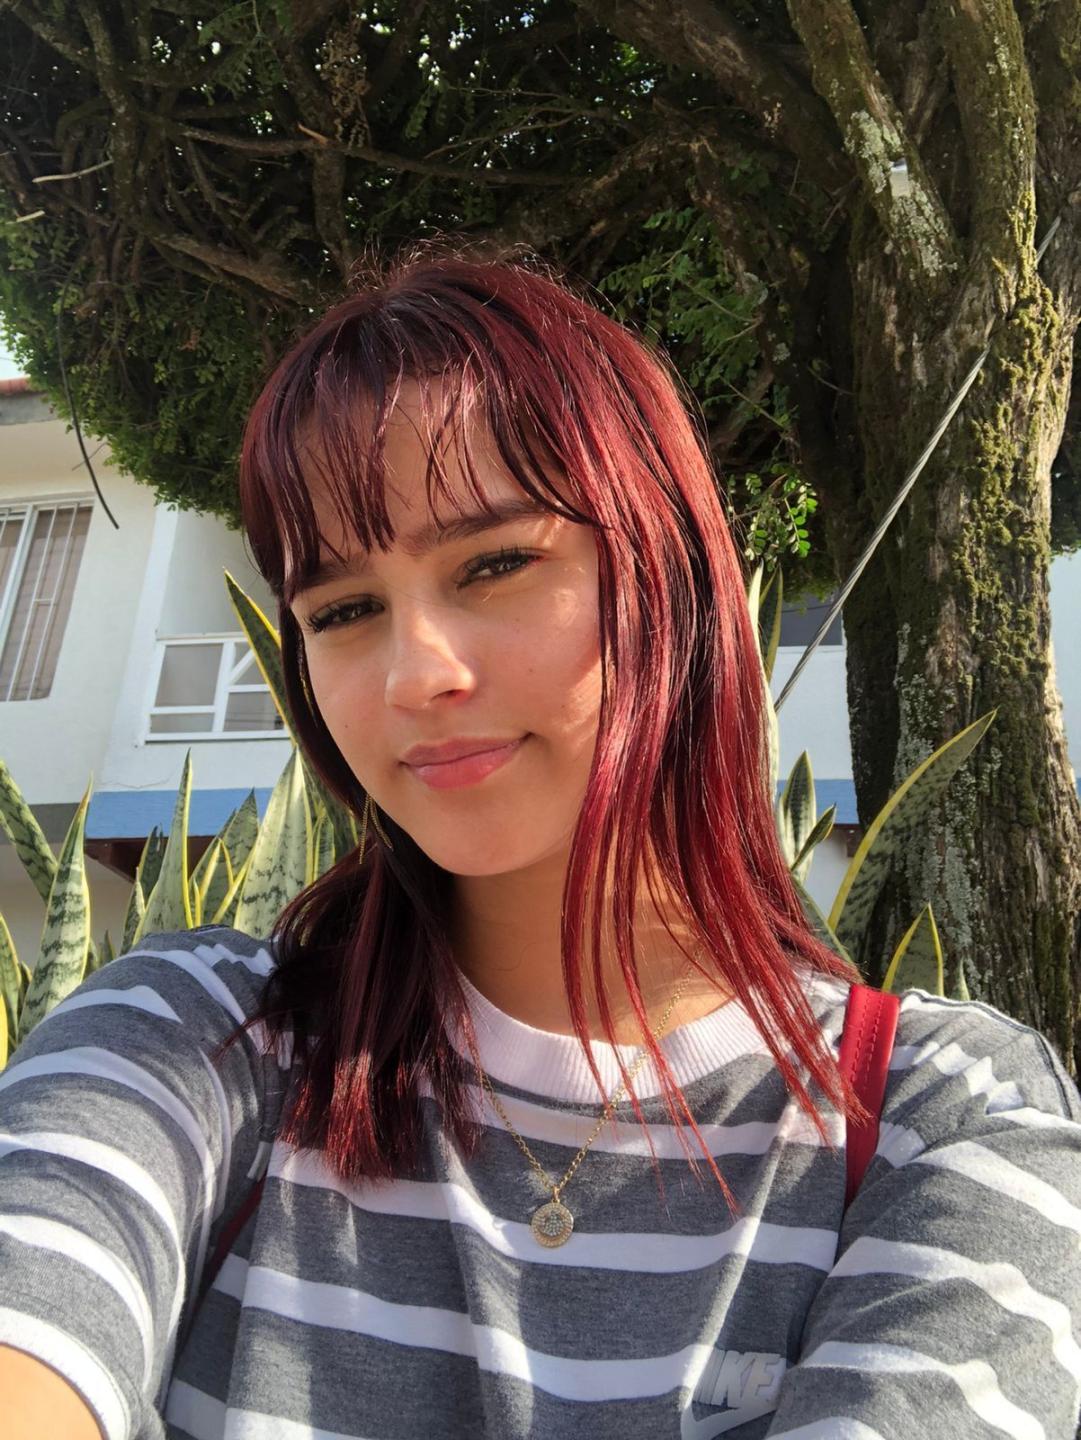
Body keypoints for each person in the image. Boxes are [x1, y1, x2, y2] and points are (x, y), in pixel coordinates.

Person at [1, 247, 1079, 1440]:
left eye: (497, 563)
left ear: (670, 580)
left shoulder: (945, 1117)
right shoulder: (196, 1042)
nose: (416, 675)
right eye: (344, 609)